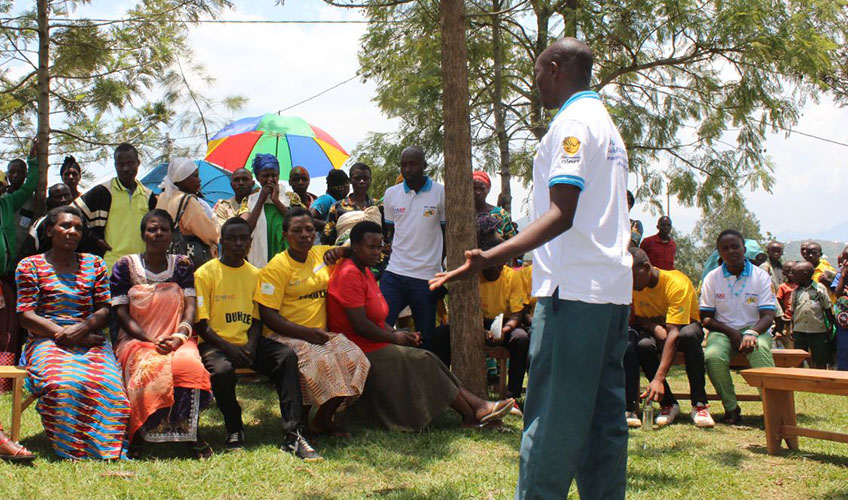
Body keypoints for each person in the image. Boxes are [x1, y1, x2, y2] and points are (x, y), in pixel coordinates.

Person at [431, 38, 632, 500]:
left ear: (556, 68)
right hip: (611, 293)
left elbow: (563, 212)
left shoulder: (574, 124)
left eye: (539, 71)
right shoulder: (605, 123)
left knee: (551, 420)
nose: (535, 81)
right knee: (603, 421)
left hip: (575, 292)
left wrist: (491, 255)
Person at [327, 221, 515, 430]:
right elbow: (361, 325)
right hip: (358, 347)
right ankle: (475, 411)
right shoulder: (349, 273)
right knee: (423, 360)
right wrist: (394, 338)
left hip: (373, 342)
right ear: (354, 247)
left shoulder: (366, 271)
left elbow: (377, 321)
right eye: (371, 247)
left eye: (379, 247)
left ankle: (476, 411)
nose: (377, 252)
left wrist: (400, 334)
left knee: (428, 357)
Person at [195, 217, 321, 460]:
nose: (238, 243)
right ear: (222, 242)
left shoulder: (256, 274)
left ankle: (294, 434)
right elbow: (203, 326)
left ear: (251, 243)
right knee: (221, 371)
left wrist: (251, 346)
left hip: (249, 343)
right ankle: (234, 427)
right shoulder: (205, 274)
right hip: (216, 344)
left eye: (244, 238)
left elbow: (257, 318)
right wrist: (231, 349)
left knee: (286, 356)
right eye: (232, 238)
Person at [16, 205, 130, 459]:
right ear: (49, 230)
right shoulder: (30, 266)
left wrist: (84, 327)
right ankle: (71, 448)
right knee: (62, 383)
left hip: (89, 337)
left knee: (110, 386)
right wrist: (63, 334)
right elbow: (26, 316)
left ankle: (106, 448)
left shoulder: (94, 264)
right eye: (65, 226)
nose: (72, 231)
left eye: (78, 228)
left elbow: (103, 309)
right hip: (46, 339)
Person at [254, 207, 370, 438]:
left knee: (355, 359)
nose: (305, 235)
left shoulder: (320, 254)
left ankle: (322, 419)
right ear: (285, 234)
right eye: (297, 231)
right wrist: (306, 334)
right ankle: (302, 421)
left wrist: (339, 252)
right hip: (284, 335)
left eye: (309, 229)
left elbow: (353, 251)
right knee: (321, 362)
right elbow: (269, 316)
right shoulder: (275, 268)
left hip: (319, 334)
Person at [111, 209, 213, 459]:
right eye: (152, 229)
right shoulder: (124, 266)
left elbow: (190, 308)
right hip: (136, 339)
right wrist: (148, 339)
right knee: (147, 368)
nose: (158, 234)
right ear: (143, 234)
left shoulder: (182, 266)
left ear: (171, 233)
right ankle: (139, 432)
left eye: (163, 229)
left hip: (177, 338)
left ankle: (189, 432)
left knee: (188, 366)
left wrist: (179, 337)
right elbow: (121, 313)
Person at [625, 247, 714, 429]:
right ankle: (668, 404)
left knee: (688, 336)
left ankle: (699, 404)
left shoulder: (676, 283)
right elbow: (639, 317)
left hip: (685, 325)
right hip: (659, 327)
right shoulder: (637, 286)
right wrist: (654, 327)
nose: (630, 283)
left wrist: (658, 379)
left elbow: (674, 332)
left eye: (633, 276)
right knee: (643, 345)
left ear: (647, 267)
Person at [700, 229, 776, 425]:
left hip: (756, 329)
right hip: (723, 331)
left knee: (759, 351)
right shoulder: (712, 278)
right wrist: (732, 332)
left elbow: (768, 315)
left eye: (735, 246)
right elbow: (707, 318)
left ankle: (774, 410)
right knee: (713, 357)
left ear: (744, 249)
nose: (731, 251)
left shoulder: (760, 276)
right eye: (725, 248)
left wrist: (752, 332)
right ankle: (731, 409)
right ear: (719, 252)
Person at [381, 146, 445, 352]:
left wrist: (439, 267)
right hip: (395, 273)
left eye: (413, 163)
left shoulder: (440, 193)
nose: (407, 169)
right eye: (403, 164)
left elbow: (446, 232)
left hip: (426, 278)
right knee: (379, 325)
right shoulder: (391, 194)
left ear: (424, 165)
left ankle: (424, 382)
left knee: (425, 338)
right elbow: (391, 230)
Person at [75, 143, 157, 270]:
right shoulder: (103, 192)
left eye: (130, 163)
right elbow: (71, 213)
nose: (125, 168)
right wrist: (95, 238)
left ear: (138, 163)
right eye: (121, 164)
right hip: (112, 266)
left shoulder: (148, 196)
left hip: (142, 267)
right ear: (115, 166)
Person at [0, 141, 39, 367]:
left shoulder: (7, 203)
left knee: (7, 326)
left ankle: (4, 376)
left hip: (6, 276)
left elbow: (29, 186)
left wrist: (33, 161)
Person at [155, 157, 219, 267]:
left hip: (163, 261)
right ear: (182, 179)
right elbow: (211, 234)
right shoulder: (188, 201)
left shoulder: (162, 198)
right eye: (195, 176)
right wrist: (213, 220)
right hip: (185, 264)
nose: (199, 180)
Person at [19, 183, 99, 258]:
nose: (63, 200)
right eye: (58, 197)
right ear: (50, 200)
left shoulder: (82, 220)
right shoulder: (42, 223)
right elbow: (28, 251)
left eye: (66, 195)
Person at [241, 154, 291, 268]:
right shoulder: (250, 200)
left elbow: (295, 221)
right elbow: (246, 229)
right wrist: (261, 200)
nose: (270, 180)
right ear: (258, 178)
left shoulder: (290, 198)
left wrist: (276, 201)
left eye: (274, 175)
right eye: (265, 176)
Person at [789, 261, 835, 368]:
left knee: (820, 357)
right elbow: (793, 311)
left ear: (804, 274)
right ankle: (800, 379)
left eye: (794, 272)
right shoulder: (796, 292)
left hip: (817, 330)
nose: (791, 275)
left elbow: (827, 308)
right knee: (798, 358)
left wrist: (830, 326)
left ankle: (821, 379)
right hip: (799, 330)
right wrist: (792, 327)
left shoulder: (819, 288)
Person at [323, 163, 377, 245]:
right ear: (350, 180)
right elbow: (328, 237)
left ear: (370, 180)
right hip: (345, 256)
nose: (362, 181)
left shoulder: (378, 206)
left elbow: (387, 234)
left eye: (365, 178)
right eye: (357, 178)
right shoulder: (337, 207)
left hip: (376, 256)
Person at [473, 170, 518, 241]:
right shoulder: (461, 214)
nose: (478, 192)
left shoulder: (499, 213)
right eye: (474, 188)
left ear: (488, 190)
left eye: (482, 189)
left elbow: (513, 242)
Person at [309, 169, 350, 234]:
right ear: (342, 187)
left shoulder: (342, 202)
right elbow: (309, 218)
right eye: (347, 185)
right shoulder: (326, 199)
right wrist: (331, 226)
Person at [832, 246, 848, 370]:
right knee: (844, 350)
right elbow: (837, 292)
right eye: (845, 259)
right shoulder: (840, 276)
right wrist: (843, 275)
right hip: (844, 323)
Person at [775, 260, 798, 348]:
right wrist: (783, 315)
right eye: (788, 271)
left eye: (793, 271)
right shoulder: (783, 286)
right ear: (784, 273)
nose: (791, 273)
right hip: (787, 319)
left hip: (799, 319)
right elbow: (779, 301)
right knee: (789, 342)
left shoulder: (801, 286)